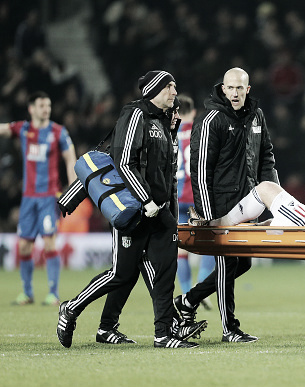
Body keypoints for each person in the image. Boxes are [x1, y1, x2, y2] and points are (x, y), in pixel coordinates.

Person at [56, 71, 202, 349]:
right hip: (135, 210)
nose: (174, 92)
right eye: (169, 87)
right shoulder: (135, 114)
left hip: (161, 213)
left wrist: (171, 134)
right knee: (122, 274)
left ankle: (164, 334)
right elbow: (124, 162)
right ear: (155, 90)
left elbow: (166, 173)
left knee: (163, 273)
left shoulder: (164, 121)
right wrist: (146, 201)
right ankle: (71, 309)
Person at [175, 67, 279, 343]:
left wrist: (274, 200)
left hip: (248, 203)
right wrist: (209, 214)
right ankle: (229, 328)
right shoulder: (211, 121)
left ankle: (187, 301)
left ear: (248, 90)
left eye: (239, 88)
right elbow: (199, 171)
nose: (234, 93)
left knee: (242, 264)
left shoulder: (256, 116)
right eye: (230, 88)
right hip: (221, 205)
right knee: (225, 265)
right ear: (223, 89)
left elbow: (266, 156)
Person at [0, 91, 77, 307]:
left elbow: (70, 157)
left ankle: (53, 293)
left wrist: (72, 187)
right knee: (24, 246)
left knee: (49, 242)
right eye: (42, 106)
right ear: (31, 108)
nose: (46, 110)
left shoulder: (58, 132)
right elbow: (4, 128)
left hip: (49, 197)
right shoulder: (24, 129)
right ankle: (27, 293)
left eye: (48, 106)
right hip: (28, 199)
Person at [175, 94, 215, 307]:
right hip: (197, 196)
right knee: (210, 243)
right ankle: (202, 289)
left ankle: (186, 291)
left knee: (181, 249)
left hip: (177, 196)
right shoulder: (199, 131)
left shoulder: (170, 134)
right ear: (192, 112)